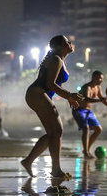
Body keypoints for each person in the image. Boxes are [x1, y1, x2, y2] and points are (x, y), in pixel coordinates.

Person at [21, 35, 83, 178]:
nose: (70, 43)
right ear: (60, 46)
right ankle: (54, 169)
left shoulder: (58, 59)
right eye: (67, 42)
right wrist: (69, 95)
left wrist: (69, 97)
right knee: (57, 130)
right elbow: (50, 84)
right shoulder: (55, 59)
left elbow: (54, 85)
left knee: (54, 133)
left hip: (39, 94)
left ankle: (29, 161)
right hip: (37, 94)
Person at [72, 70, 107, 158]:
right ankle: (86, 152)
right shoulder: (87, 87)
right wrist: (99, 100)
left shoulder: (98, 87)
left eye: (102, 79)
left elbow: (102, 98)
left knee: (98, 129)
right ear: (93, 78)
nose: (101, 80)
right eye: (99, 78)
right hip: (79, 110)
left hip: (88, 111)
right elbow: (86, 99)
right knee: (86, 129)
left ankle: (86, 149)